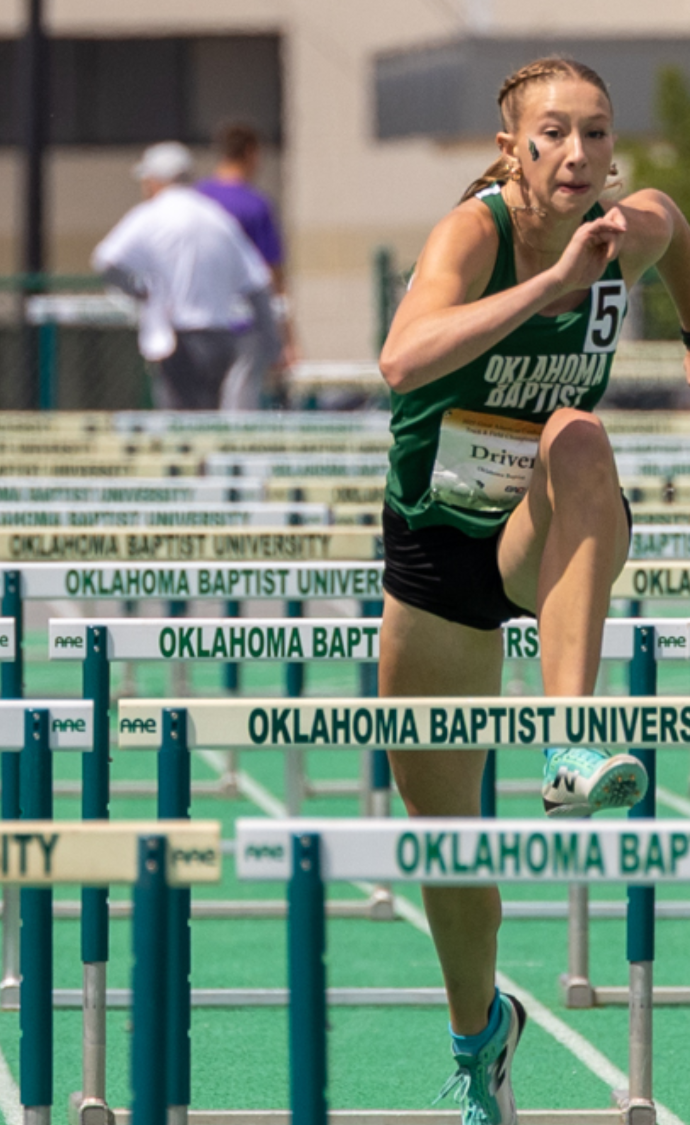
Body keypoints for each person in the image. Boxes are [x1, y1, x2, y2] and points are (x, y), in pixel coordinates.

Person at [375, 56, 690, 1122]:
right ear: (509, 149)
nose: (576, 155)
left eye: (594, 135)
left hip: (540, 530)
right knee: (446, 847)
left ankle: (568, 741)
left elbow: (673, 225)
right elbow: (399, 359)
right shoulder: (472, 234)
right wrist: (552, 287)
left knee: (577, 435)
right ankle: (480, 1033)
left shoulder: (632, 226)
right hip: (435, 547)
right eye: (551, 135)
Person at [92, 141, 281, 411]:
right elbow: (258, 282)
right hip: (221, 338)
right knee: (208, 420)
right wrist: (272, 345)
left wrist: (138, 293)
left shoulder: (151, 215)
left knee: (178, 426)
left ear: (156, 180)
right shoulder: (216, 217)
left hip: (177, 338)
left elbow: (106, 262)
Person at [197, 122, 297, 406]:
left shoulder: (197, 199)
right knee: (238, 406)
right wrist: (287, 339)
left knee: (197, 410)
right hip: (245, 323)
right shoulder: (255, 206)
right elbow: (273, 275)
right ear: (252, 153)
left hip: (198, 323)